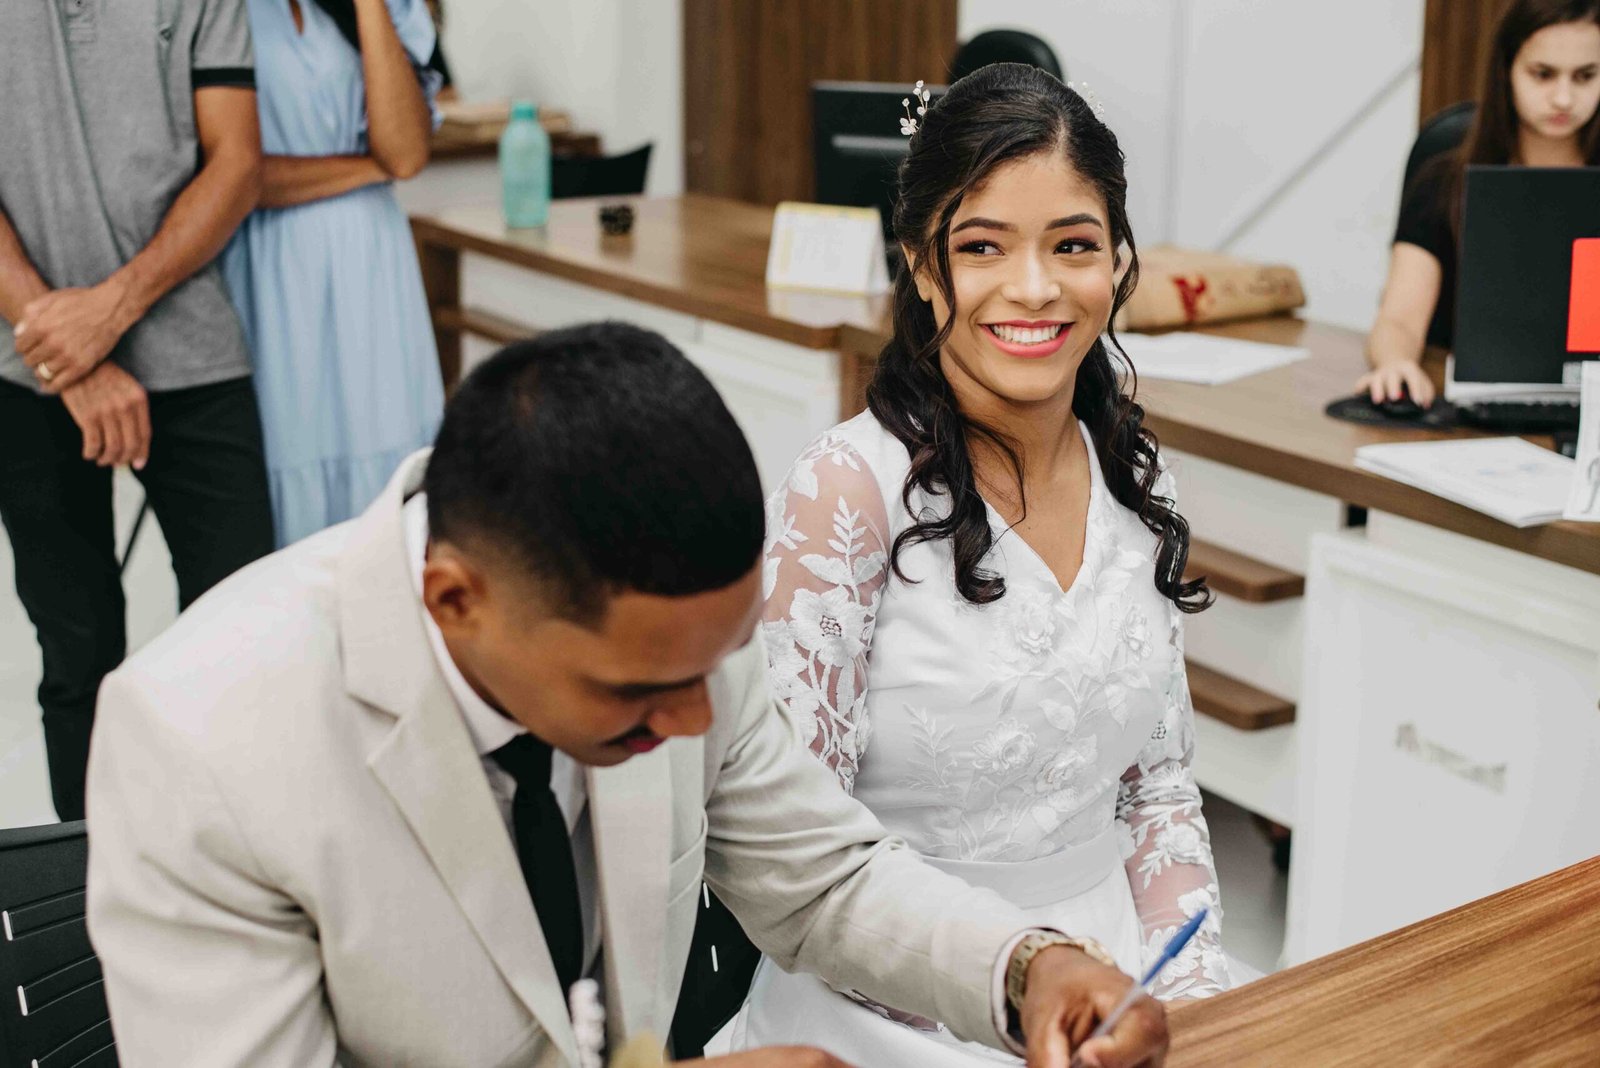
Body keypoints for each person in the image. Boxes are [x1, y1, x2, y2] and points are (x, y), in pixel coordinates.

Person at [85, 323, 1170, 1068]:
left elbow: (822, 880)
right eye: (640, 692)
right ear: (455, 600)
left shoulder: (674, 635)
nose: (694, 720)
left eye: (715, 666)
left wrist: (1026, 970)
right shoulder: (200, 743)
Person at [738, 64, 1228, 1066]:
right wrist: (1005, 1012)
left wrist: (1190, 998)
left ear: (1119, 263)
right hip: (886, 1008)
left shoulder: (1137, 478)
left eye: (1073, 245)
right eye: (982, 247)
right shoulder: (846, 492)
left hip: (1116, 993)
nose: (1035, 287)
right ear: (923, 267)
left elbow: (1158, 791)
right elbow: (795, 856)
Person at [0, 0, 275, 821]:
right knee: (77, 648)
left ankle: (234, 863)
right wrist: (65, 355)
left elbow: (237, 165)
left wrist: (107, 312)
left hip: (193, 349)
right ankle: (95, 883)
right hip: (21, 360)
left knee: (245, 638)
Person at [223, 0, 445, 547]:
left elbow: (405, 152)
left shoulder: (387, 10)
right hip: (267, 267)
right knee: (287, 452)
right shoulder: (217, 11)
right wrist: (369, 167)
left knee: (390, 466)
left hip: (372, 267)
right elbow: (235, 178)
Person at [1358, 0, 1600, 407]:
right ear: (1506, 70)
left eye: (1585, 76)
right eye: (1543, 74)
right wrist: (1396, 363)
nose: (1563, 98)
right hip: (1470, 406)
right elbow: (1398, 319)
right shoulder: (1444, 169)